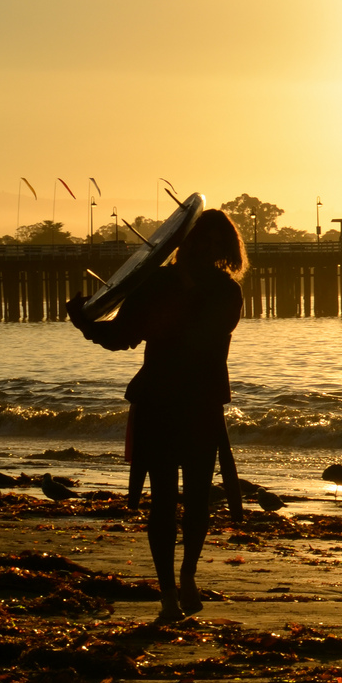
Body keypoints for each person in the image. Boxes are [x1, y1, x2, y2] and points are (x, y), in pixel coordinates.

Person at [67, 210, 246, 623]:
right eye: (199, 243)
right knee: (166, 500)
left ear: (222, 251)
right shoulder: (158, 283)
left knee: (196, 502)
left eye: (214, 245)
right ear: (184, 244)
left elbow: (202, 335)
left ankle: (185, 577)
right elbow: (121, 337)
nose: (205, 251)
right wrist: (84, 322)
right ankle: (169, 589)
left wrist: (165, 306)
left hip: (194, 403)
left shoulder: (224, 292)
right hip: (165, 403)